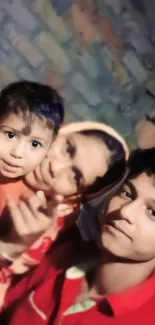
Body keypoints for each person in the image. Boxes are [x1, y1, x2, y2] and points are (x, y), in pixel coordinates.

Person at [2, 148, 155, 325]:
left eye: (152, 212)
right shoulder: (64, 256)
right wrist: (11, 249)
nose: (125, 211)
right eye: (127, 194)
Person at [0, 121, 129, 311]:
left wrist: (12, 247)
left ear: (75, 198)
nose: (55, 166)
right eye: (68, 148)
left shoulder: (41, 236)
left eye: (75, 176)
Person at [0, 80, 64, 218]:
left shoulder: (25, 205)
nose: (17, 153)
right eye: (10, 135)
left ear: (48, 149)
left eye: (35, 144)